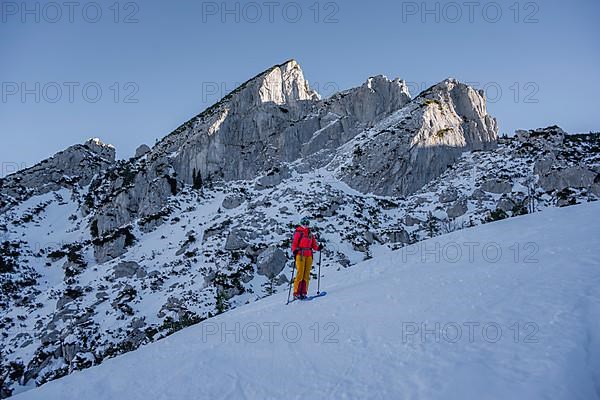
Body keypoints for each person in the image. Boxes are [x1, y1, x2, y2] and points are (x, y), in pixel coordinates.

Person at [291, 216, 321, 300]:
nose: (305, 225)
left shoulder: (310, 234)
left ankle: (303, 292)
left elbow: (314, 245)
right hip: (300, 254)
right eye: (304, 223)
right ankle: (296, 293)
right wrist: (294, 251)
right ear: (301, 223)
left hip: (309, 255)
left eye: (307, 223)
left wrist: (318, 248)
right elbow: (294, 243)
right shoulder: (298, 232)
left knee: (306, 274)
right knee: (300, 273)